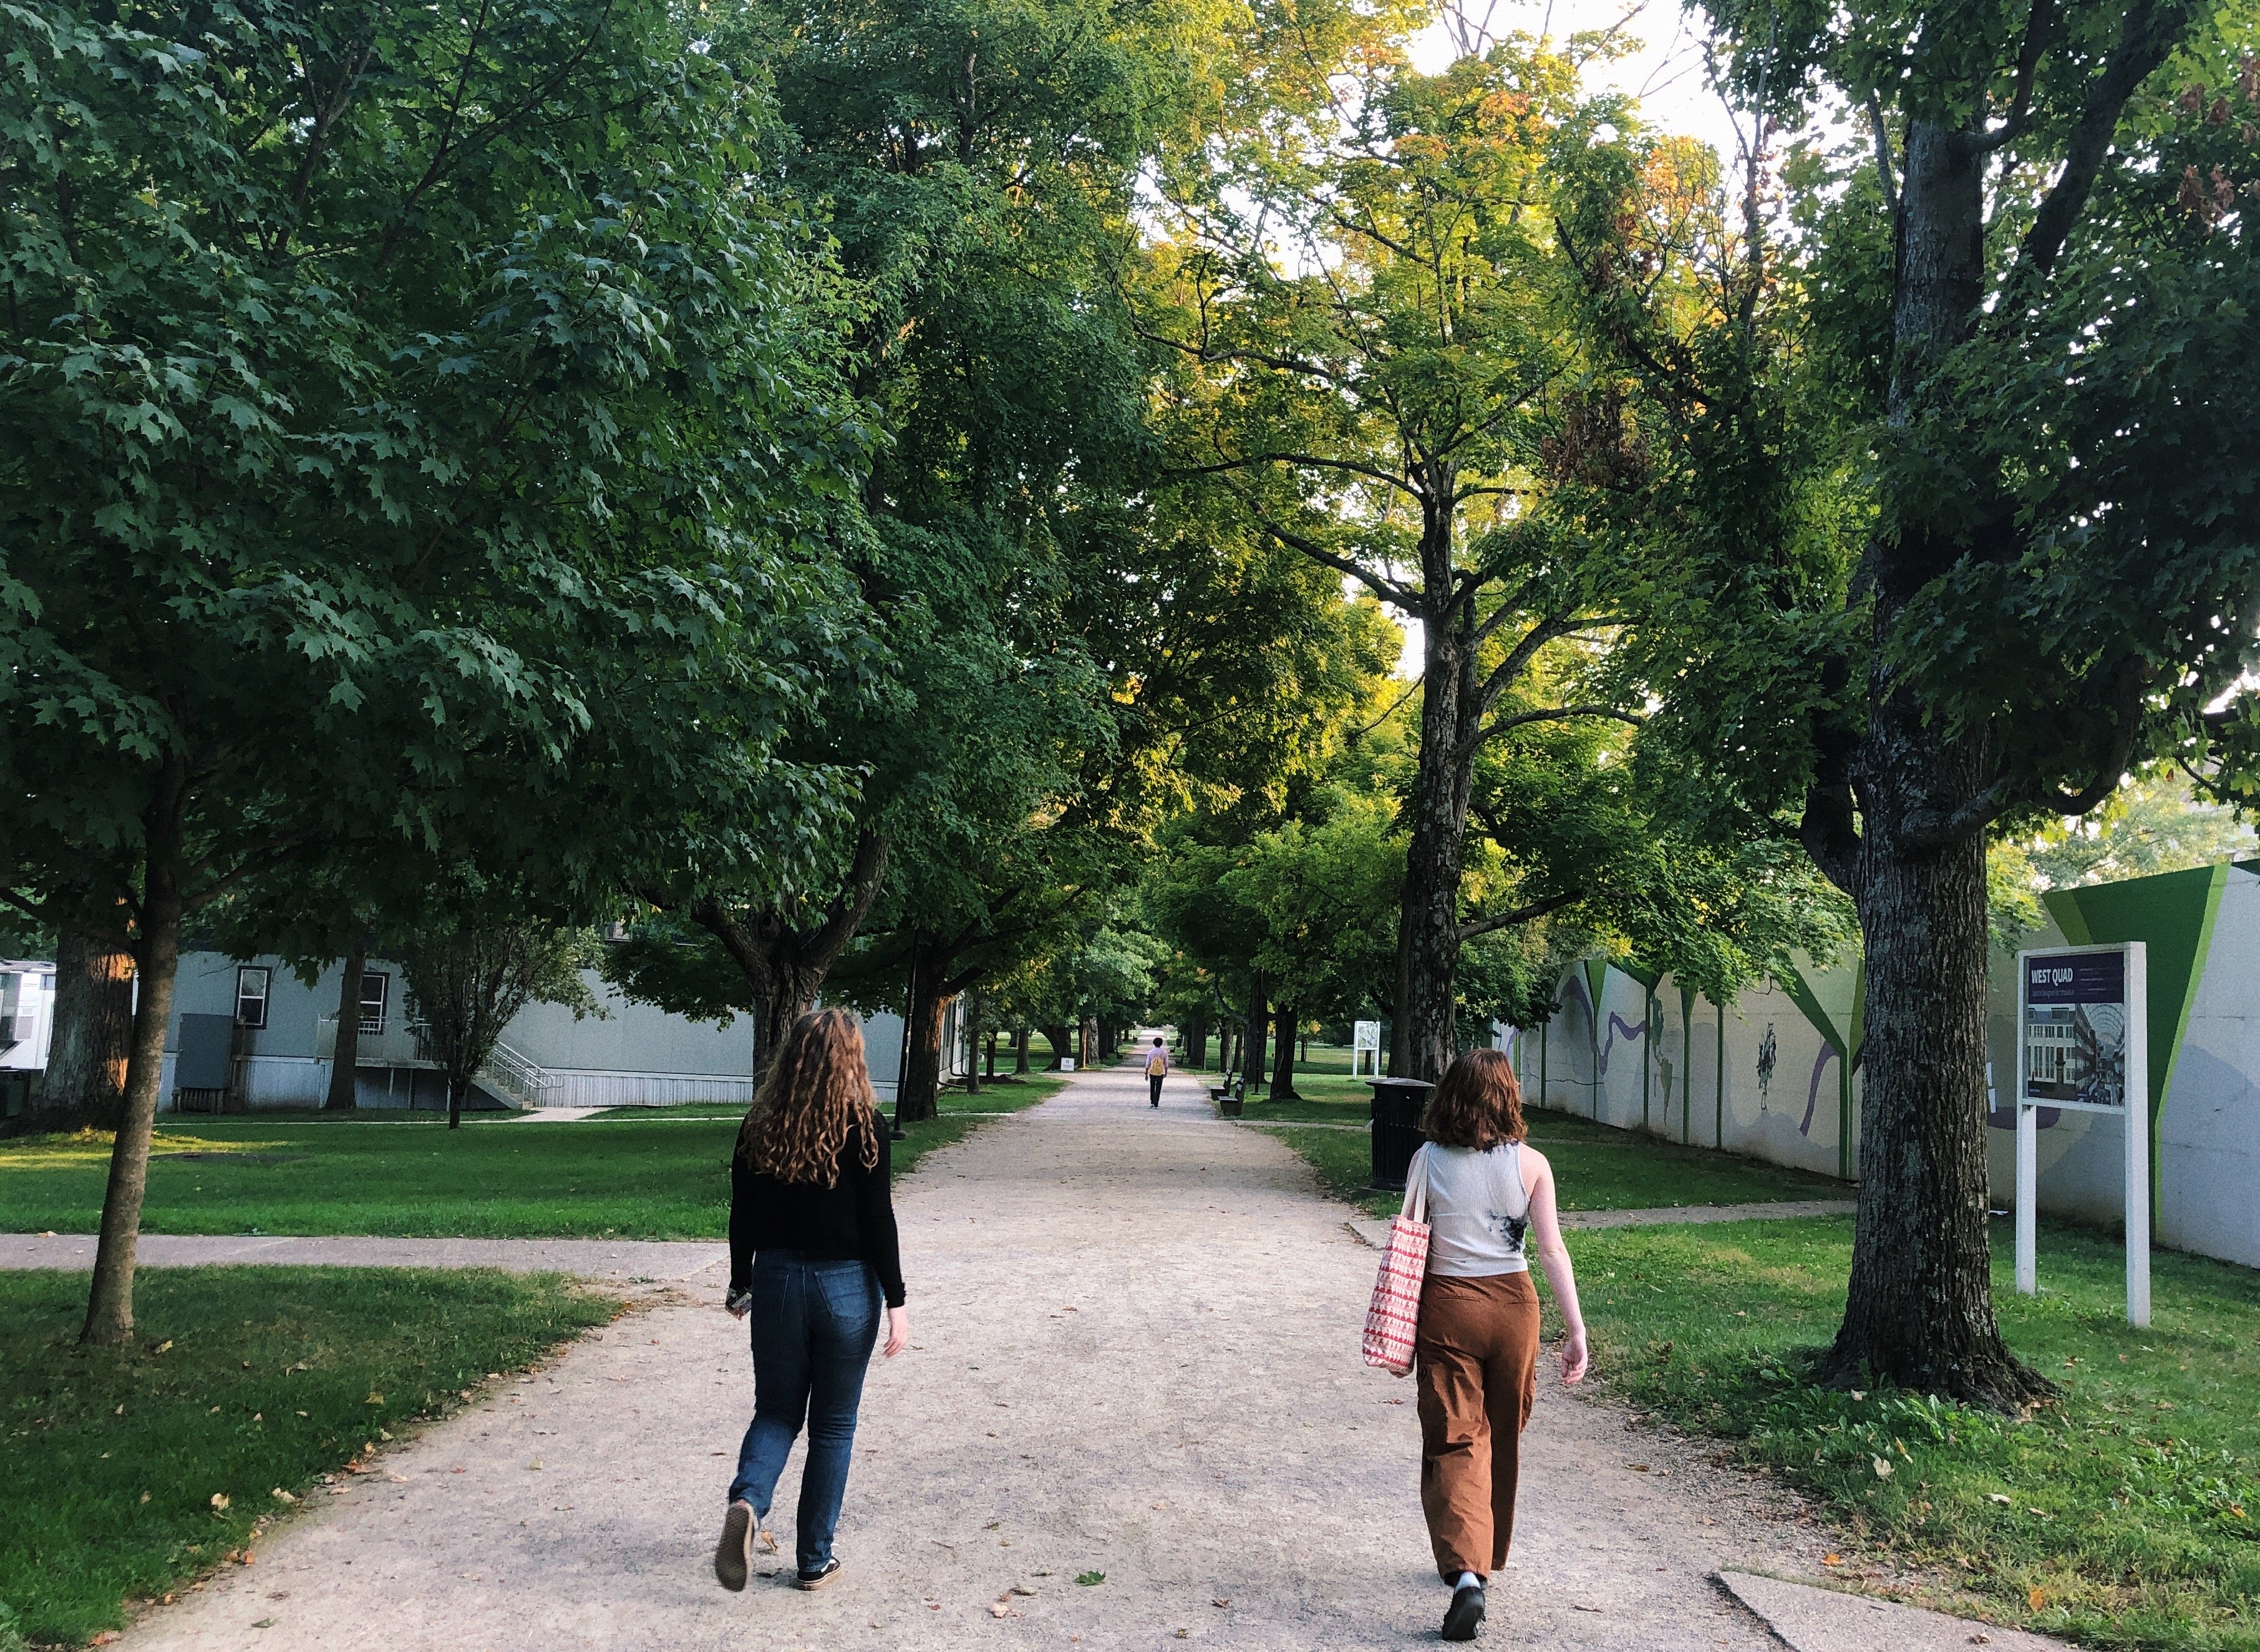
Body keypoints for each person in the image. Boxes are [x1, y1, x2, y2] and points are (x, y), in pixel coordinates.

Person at [714, 1008, 909, 1594]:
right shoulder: (866, 1125)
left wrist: (740, 1281)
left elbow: (742, 1214)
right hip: (846, 1286)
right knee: (833, 1425)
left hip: (776, 1279)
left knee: (776, 1412)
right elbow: (878, 1219)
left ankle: (748, 1502)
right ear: (851, 1058)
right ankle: (813, 1559)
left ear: (791, 1058)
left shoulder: (759, 1125)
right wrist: (897, 1299)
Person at [1410, 1048, 1588, 1642]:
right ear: (1509, 1095)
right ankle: (1484, 1552)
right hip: (1514, 1308)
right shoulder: (1532, 1164)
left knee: (1456, 1436)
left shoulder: (1426, 1160)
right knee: (1502, 1430)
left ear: (1451, 1094)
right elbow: (1551, 1249)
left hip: (1448, 1306)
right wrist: (1575, 1329)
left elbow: (1410, 1237)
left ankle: (1467, 1571)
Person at [1143, 1035, 1170, 1107]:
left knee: (1152, 1086)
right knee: (1159, 1087)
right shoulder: (1164, 1052)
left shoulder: (1151, 1052)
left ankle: (1152, 1101)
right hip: (1160, 1072)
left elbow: (1148, 1063)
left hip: (1152, 1071)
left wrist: (1146, 1073)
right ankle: (1156, 1102)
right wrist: (1166, 1072)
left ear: (1154, 1043)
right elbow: (1166, 1063)